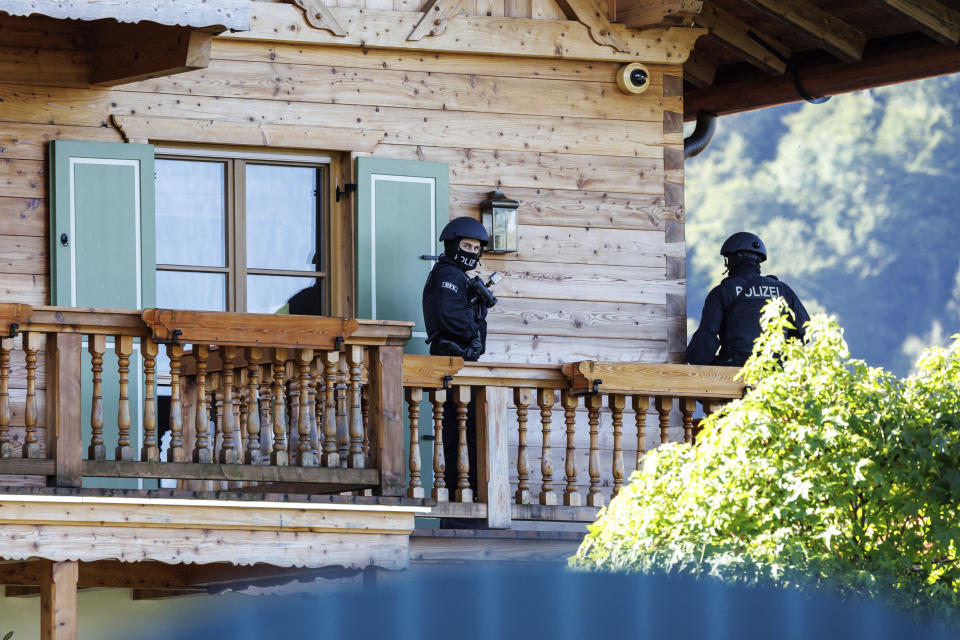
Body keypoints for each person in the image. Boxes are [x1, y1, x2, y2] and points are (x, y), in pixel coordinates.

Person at [422, 217, 496, 520]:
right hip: (450, 364)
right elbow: (453, 321)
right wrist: (473, 312)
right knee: (458, 437)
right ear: (452, 245)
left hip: (464, 365)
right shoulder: (446, 275)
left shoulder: (460, 279)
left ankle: (468, 509)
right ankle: (457, 513)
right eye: (466, 245)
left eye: (476, 248)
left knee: (469, 436)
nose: (471, 252)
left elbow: (475, 333)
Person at [687, 232, 809, 367]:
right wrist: (779, 356)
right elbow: (805, 331)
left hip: (734, 371)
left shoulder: (722, 292)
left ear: (735, 258)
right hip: (774, 373)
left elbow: (702, 348)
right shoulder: (783, 290)